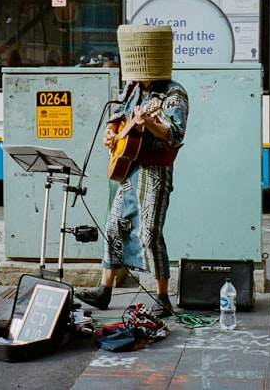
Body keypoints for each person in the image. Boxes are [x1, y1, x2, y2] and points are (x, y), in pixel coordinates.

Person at [75, 24, 188, 319]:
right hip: (130, 167)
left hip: (156, 170)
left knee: (150, 232)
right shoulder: (133, 87)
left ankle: (162, 297)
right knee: (114, 226)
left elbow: (174, 133)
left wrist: (147, 122)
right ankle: (105, 289)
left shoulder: (174, 93)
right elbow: (117, 117)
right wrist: (111, 134)